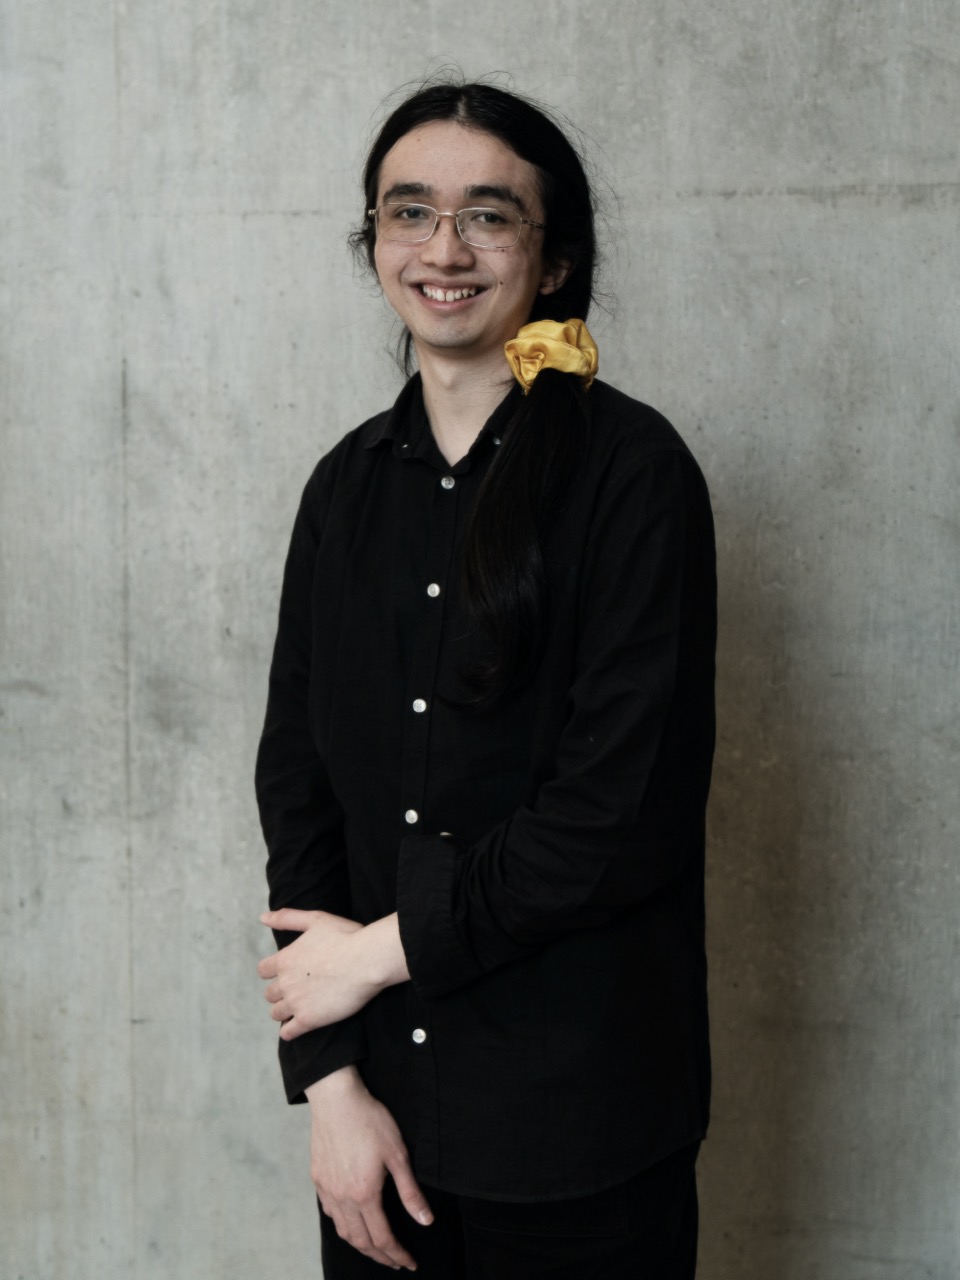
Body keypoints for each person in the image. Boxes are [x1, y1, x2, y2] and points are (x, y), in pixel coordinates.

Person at [255, 79, 716, 1279]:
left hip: (584, 1127)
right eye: (409, 213)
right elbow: (298, 793)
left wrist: (379, 950)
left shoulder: (635, 475)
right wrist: (331, 1085)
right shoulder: (341, 488)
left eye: (490, 216)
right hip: (382, 1126)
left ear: (555, 261)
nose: (443, 248)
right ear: (375, 246)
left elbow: (615, 820)